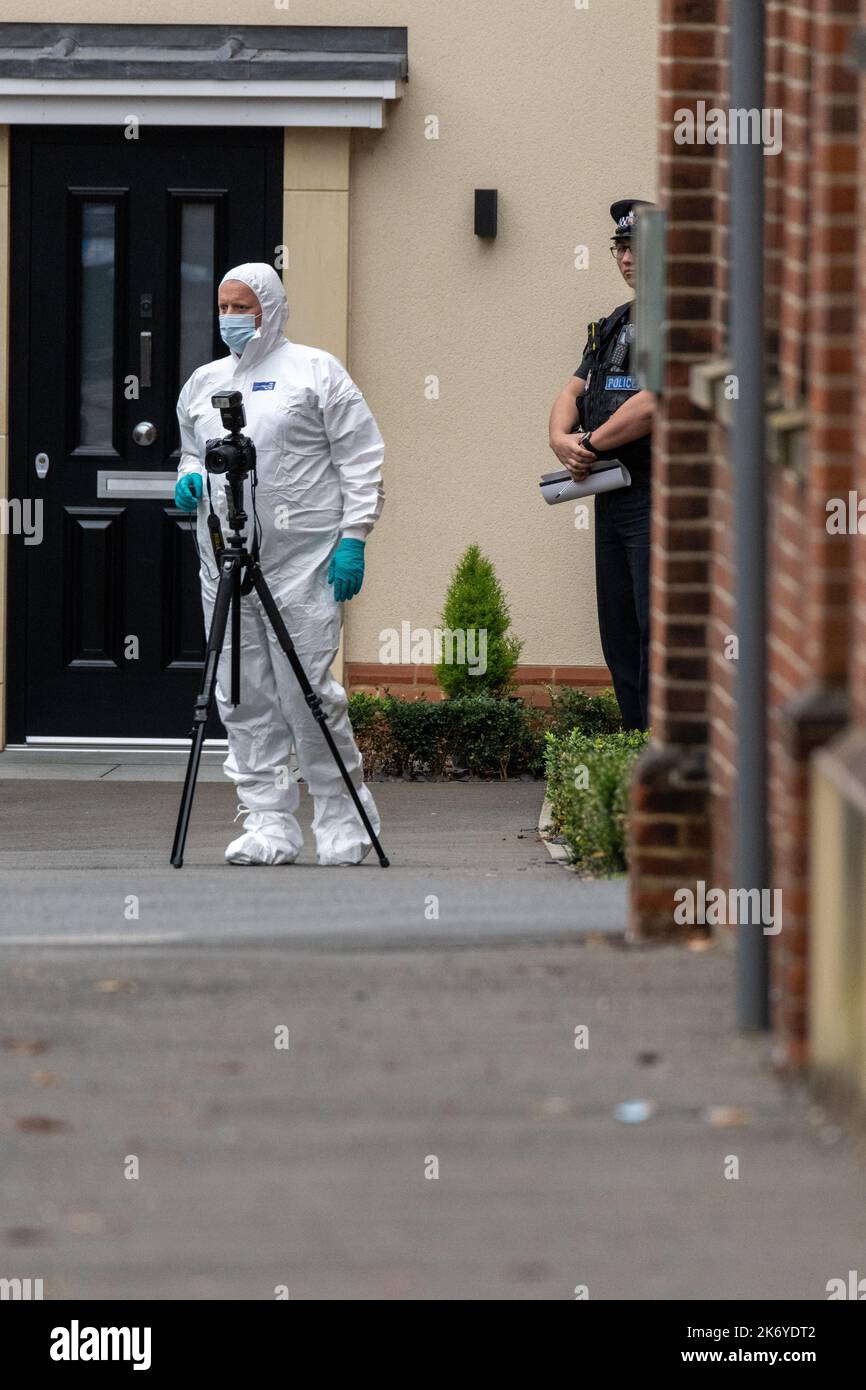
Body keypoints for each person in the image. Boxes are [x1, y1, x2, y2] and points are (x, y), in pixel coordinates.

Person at [174, 262, 385, 866]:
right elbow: (194, 452)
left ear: (270, 308)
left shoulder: (315, 372)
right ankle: (269, 822)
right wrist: (189, 479)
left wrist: (354, 536)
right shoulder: (204, 382)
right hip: (225, 560)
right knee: (240, 695)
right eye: (223, 306)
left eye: (243, 306)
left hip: (305, 561)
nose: (231, 317)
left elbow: (360, 456)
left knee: (306, 692)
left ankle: (344, 815)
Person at [548, 199, 657, 731]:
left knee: (655, 626)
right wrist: (558, 439)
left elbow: (656, 400)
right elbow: (575, 387)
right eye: (621, 247)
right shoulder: (616, 323)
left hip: (658, 494)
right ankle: (636, 746)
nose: (628, 257)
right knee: (619, 629)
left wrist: (587, 444)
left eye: (639, 247)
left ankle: (666, 751)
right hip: (613, 493)